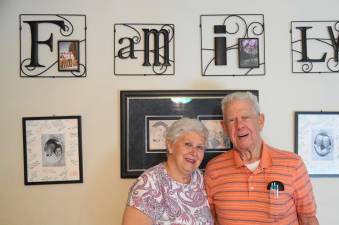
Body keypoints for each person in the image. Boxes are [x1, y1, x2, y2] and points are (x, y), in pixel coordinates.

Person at [204, 92, 319, 225]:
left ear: (260, 121)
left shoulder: (293, 165)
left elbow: (308, 219)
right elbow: (212, 220)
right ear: (224, 127)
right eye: (231, 120)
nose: (239, 125)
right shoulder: (213, 169)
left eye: (245, 117)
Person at [121, 118, 214, 225]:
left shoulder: (201, 178)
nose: (194, 152)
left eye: (199, 147)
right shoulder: (149, 184)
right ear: (170, 146)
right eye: (188, 144)